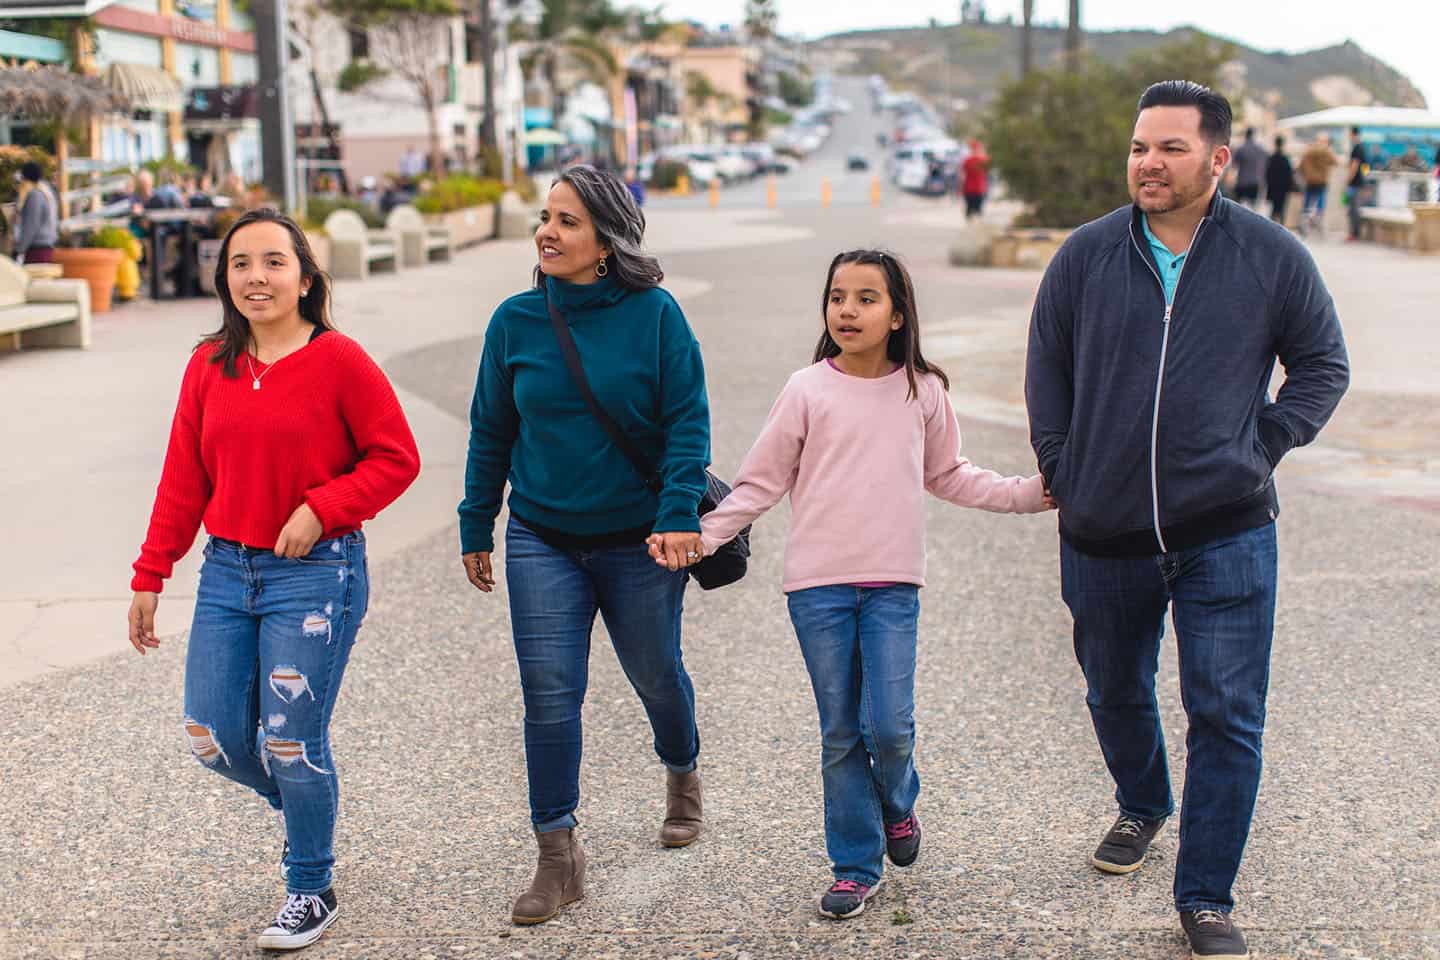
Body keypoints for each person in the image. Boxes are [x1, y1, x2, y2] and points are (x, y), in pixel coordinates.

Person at [1025, 80, 1349, 960]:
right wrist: (1065, 467)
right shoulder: (1086, 256)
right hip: (1105, 532)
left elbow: (1322, 364)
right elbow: (1046, 370)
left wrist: (1262, 445)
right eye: (1139, 147)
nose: (1147, 162)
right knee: (1113, 690)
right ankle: (1143, 803)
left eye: (1169, 148)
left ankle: (1205, 896)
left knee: (1227, 715)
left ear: (1218, 159)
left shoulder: (1271, 255)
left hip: (1228, 530)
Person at [673, 249, 1051, 921]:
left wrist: (1027, 494)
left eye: (866, 298)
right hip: (816, 588)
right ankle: (854, 864)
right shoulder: (806, 389)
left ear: (898, 314)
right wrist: (701, 536)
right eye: (838, 296)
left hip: (891, 588)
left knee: (890, 727)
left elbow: (951, 474)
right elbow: (760, 483)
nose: (848, 309)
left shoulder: (922, 390)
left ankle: (898, 805)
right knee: (842, 731)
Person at [128, 208, 420, 951]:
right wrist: (150, 571)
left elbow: (395, 457)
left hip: (315, 576)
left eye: (273, 262)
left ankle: (308, 886)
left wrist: (324, 508)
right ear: (224, 279)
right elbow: (183, 477)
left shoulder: (340, 360)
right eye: (240, 265)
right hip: (228, 571)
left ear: (305, 276)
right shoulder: (209, 364)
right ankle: (304, 803)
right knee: (213, 738)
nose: (255, 277)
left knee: (292, 741)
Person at [458, 164, 711, 926]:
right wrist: (478, 522)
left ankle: (681, 769)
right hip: (543, 536)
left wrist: (677, 514)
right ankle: (556, 853)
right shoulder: (514, 321)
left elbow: (686, 425)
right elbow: (491, 430)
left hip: (642, 541)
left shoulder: (657, 316)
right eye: (545, 216)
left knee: (655, 673)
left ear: (606, 238)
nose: (548, 231)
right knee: (548, 693)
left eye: (568, 220)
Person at [14, 161, 58, 265]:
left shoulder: (34, 196)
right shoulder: (45, 192)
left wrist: (19, 249)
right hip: (43, 248)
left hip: (37, 249)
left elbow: (31, 225)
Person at [1297, 134, 1337, 237]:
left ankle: (1305, 221)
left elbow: (1300, 167)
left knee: (1307, 203)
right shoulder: (1326, 152)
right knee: (1320, 202)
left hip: (1310, 181)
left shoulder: (1308, 152)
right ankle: (1318, 220)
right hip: (1322, 182)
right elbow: (1335, 162)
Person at [1229, 127, 1266, 209]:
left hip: (1242, 181)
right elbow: (1263, 166)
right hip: (1254, 182)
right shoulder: (1260, 149)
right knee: (1253, 209)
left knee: (1236, 208)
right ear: (1253, 135)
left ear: (1246, 135)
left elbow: (1234, 165)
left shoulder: (1240, 149)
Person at [1264, 135, 1295, 225]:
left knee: (1274, 208)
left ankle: (1271, 226)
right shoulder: (1285, 158)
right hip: (1283, 188)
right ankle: (1281, 226)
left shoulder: (1271, 158)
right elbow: (1289, 174)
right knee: (1281, 209)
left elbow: (1267, 173)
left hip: (1273, 187)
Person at [1345, 126, 1367, 242]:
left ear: (1352, 134)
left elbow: (1354, 165)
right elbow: (1365, 167)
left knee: (1353, 209)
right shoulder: (1363, 147)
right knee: (1355, 208)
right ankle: (1355, 233)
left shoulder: (1356, 148)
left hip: (1354, 184)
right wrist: (1364, 179)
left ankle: (1354, 234)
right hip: (1360, 182)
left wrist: (1348, 179)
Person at [961, 138, 990, 219]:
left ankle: (971, 226)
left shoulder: (967, 160)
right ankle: (975, 226)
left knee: (970, 210)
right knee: (977, 210)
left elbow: (962, 175)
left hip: (971, 188)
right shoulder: (983, 159)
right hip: (978, 188)